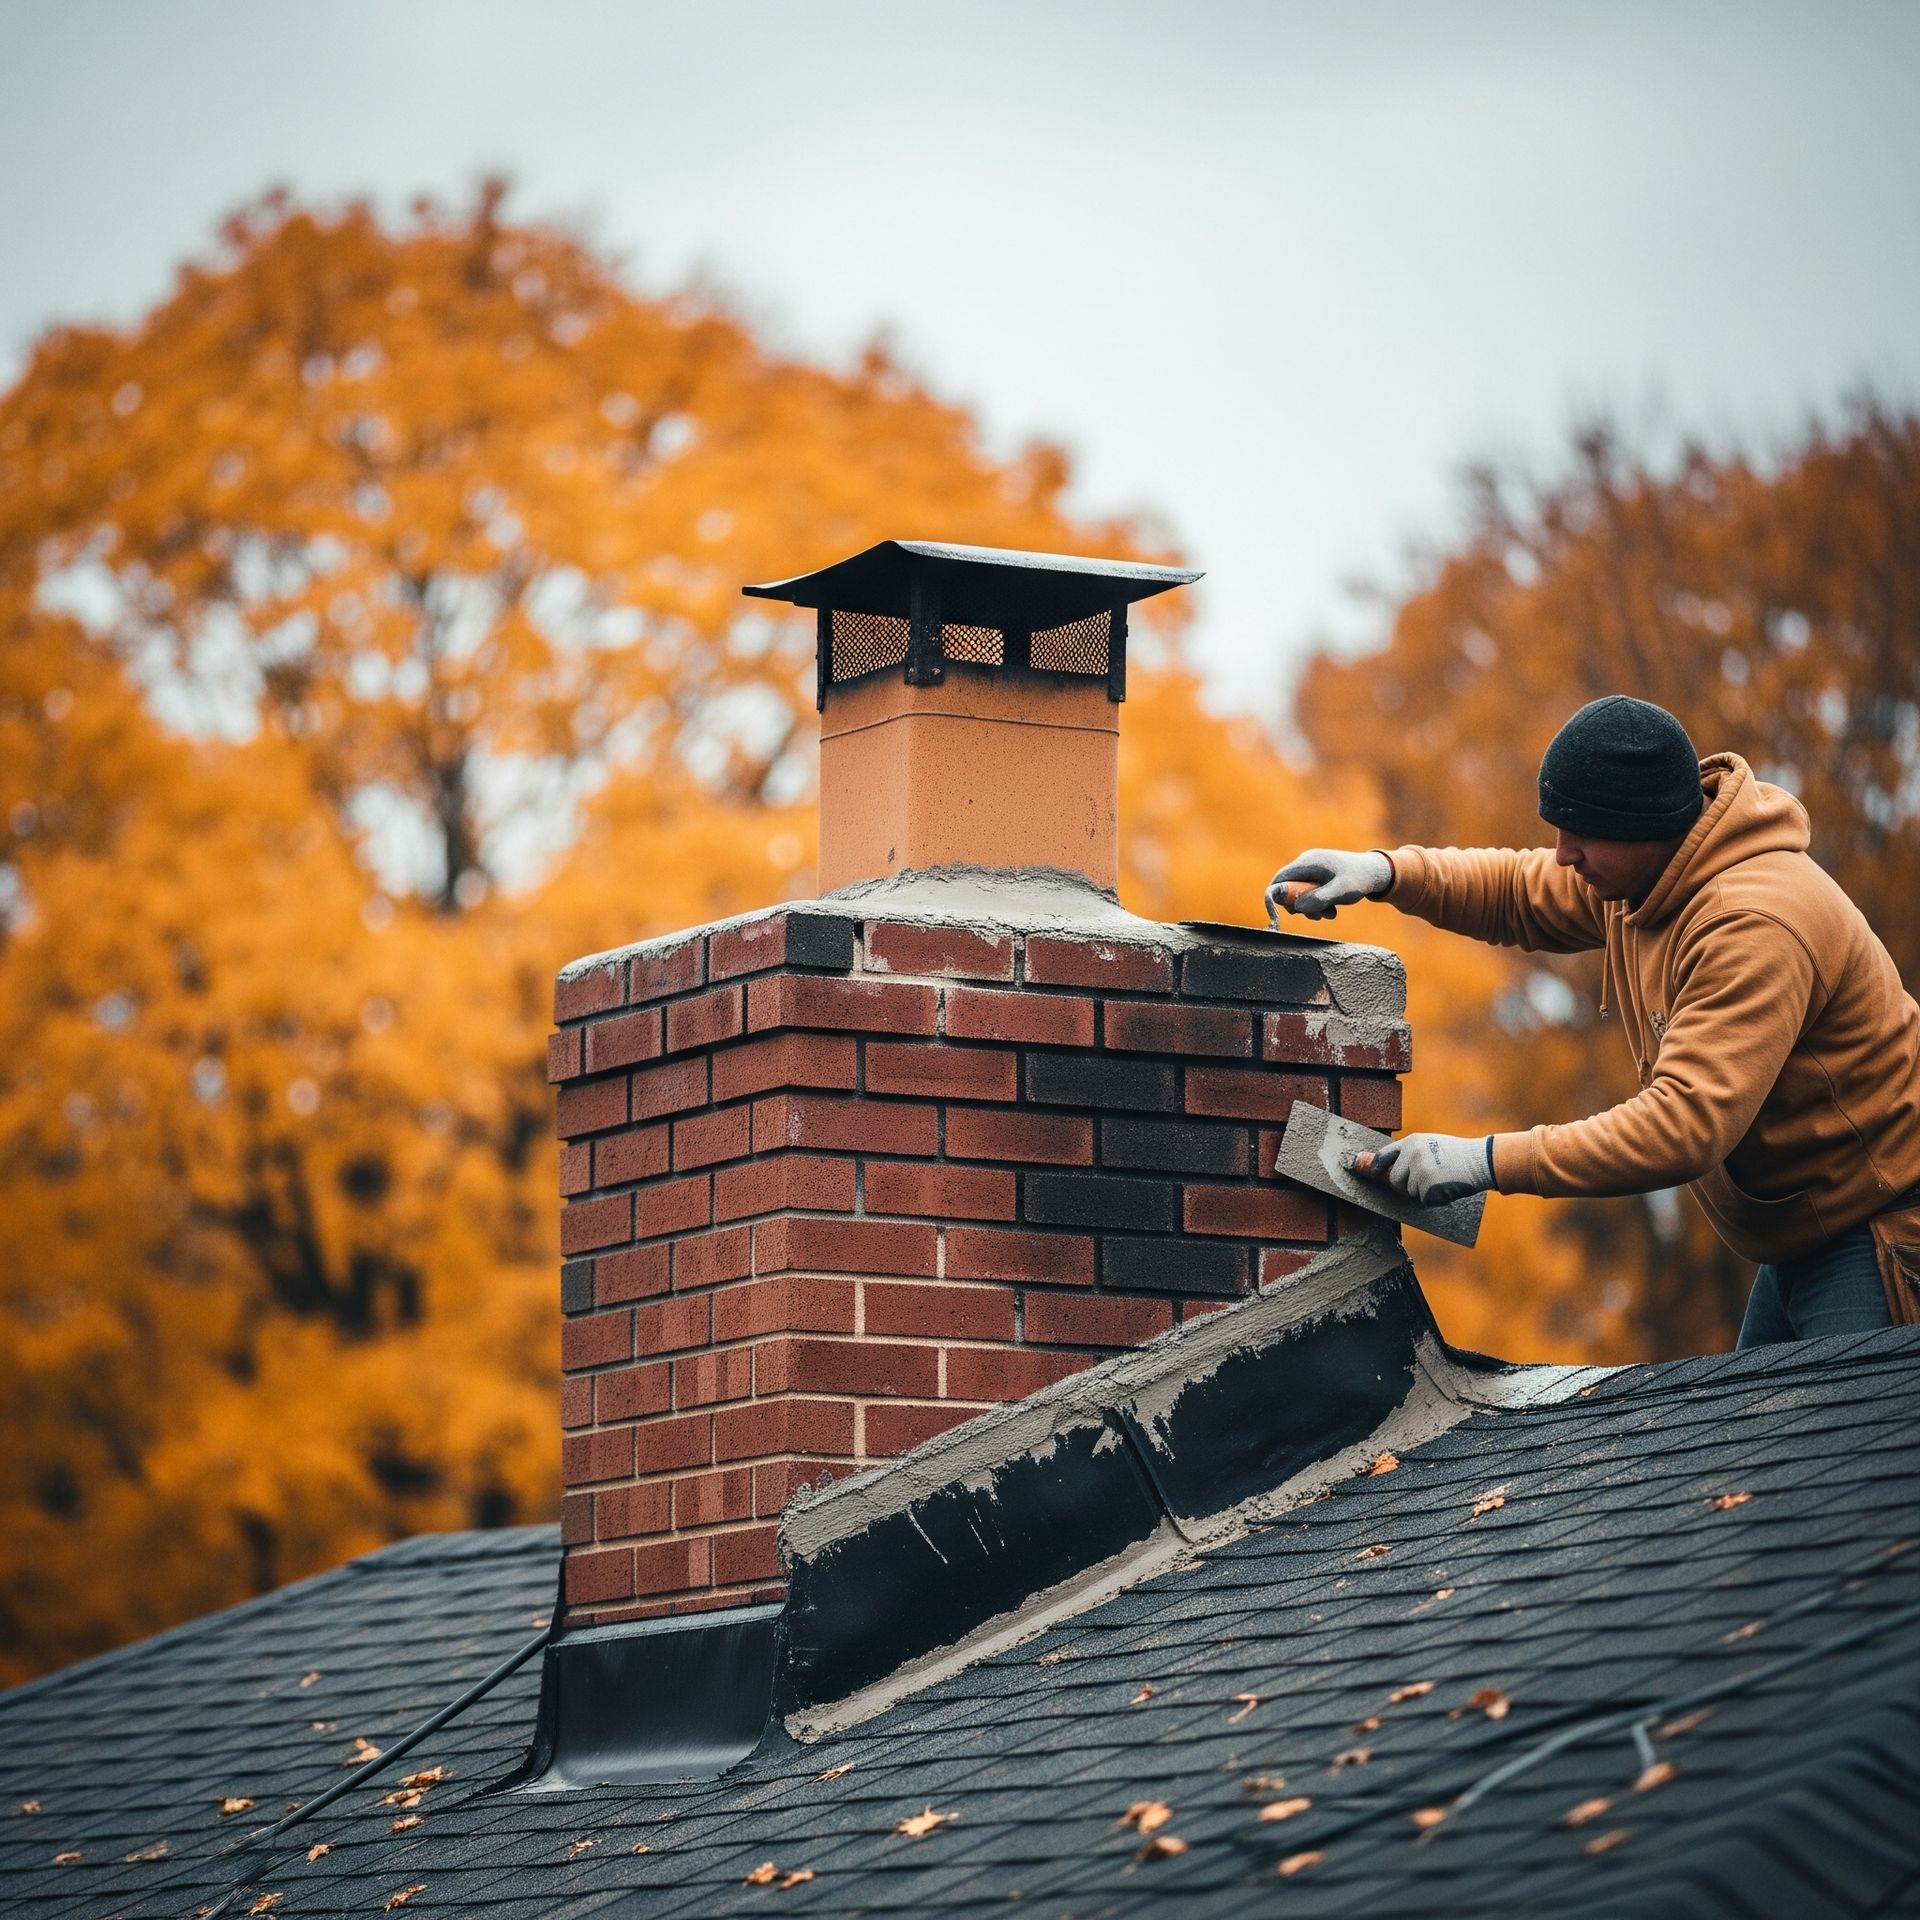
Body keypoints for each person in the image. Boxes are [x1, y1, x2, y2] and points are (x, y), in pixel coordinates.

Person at [1268, 694, 1920, 1347]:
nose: (1561, 854)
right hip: (1800, 1236)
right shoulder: (1646, 876)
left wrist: (1487, 1159)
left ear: (1644, 824)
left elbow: (1682, 1127)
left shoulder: (1752, 924)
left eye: (1580, 834)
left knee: (1838, 1443)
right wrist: (1384, 873)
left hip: (1878, 1225)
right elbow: (1517, 891)